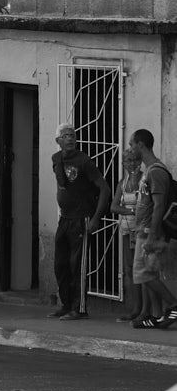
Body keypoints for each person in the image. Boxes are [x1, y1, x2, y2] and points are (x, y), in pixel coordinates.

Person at [50, 122, 111, 320]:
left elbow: (104, 188)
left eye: (72, 135)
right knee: (61, 263)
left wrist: (95, 218)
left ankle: (79, 308)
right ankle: (66, 304)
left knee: (78, 265)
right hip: (65, 218)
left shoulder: (83, 161)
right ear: (58, 140)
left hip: (81, 218)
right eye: (66, 135)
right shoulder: (56, 159)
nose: (70, 138)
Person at [127, 128, 177, 329]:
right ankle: (156, 316)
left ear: (140, 145)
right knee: (148, 273)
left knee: (142, 274)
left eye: (132, 145)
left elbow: (158, 205)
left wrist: (151, 236)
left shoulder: (156, 172)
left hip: (149, 232)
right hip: (144, 230)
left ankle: (173, 305)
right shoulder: (150, 170)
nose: (131, 149)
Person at [112, 149, 144, 322]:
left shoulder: (144, 181)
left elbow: (146, 207)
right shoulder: (122, 183)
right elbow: (114, 207)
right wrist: (132, 210)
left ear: (140, 162)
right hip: (126, 233)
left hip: (140, 233)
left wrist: (127, 210)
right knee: (129, 271)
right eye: (128, 160)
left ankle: (142, 310)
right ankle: (135, 309)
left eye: (135, 160)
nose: (132, 163)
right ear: (123, 163)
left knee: (140, 271)